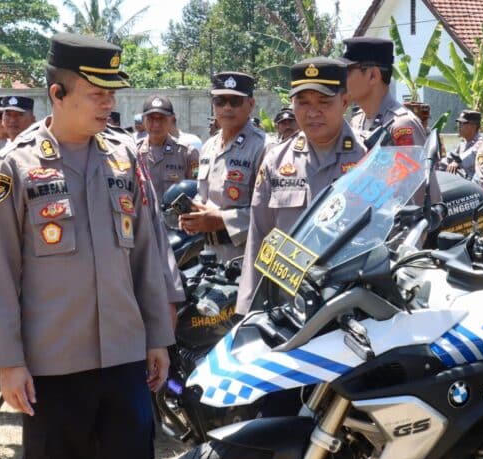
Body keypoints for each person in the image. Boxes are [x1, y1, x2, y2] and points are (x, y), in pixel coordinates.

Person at [0, 33, 173, 459]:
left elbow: (147, 254)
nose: (106, 105)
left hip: (121, 355)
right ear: (56, 93)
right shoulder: (13, 167)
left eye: (111, 93)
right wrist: (8, 361)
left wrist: (158, 336)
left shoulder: (125, 158)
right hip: (51, 364)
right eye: (94, 93)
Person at [237, 59, 365, 313]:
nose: (312, 112)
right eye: (303, 102)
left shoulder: (369, 158)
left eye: (324, 102)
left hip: (352, 305)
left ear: (345, 102)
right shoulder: (276, 160)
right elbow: (259, 238)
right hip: (288, 307)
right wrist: (248, 309)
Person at [180, 72, 268, 262]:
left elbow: (270, 213)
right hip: (209, 252)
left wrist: (221, 220)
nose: (227, 107)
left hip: (247, 257)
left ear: (250, 104)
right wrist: (193, 214)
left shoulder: (265, 148)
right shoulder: (208, 146)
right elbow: (204, 195)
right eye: (220, 100)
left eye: (235, 101)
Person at [343, 36, 427, 146]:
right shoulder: (356, 121)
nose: (341, 78)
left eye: (347, 71)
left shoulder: (402, 126)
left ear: (373, 76)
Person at [138, 95, 197, 200]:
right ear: (143, 120)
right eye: (151, 118)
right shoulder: (134, 153)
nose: (156, 124)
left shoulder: (186, 153)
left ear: (172, 119)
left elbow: (197, 191)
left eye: (162, 118)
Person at [444, 109, 483, 179]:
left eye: (462, 123)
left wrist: (458, 162)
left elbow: (472, 153)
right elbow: (451, 157)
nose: (459, 126)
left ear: (473, 126)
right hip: (462, 182)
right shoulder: (463, 143)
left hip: (476, 185)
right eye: (459, 123)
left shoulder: (481, 143)